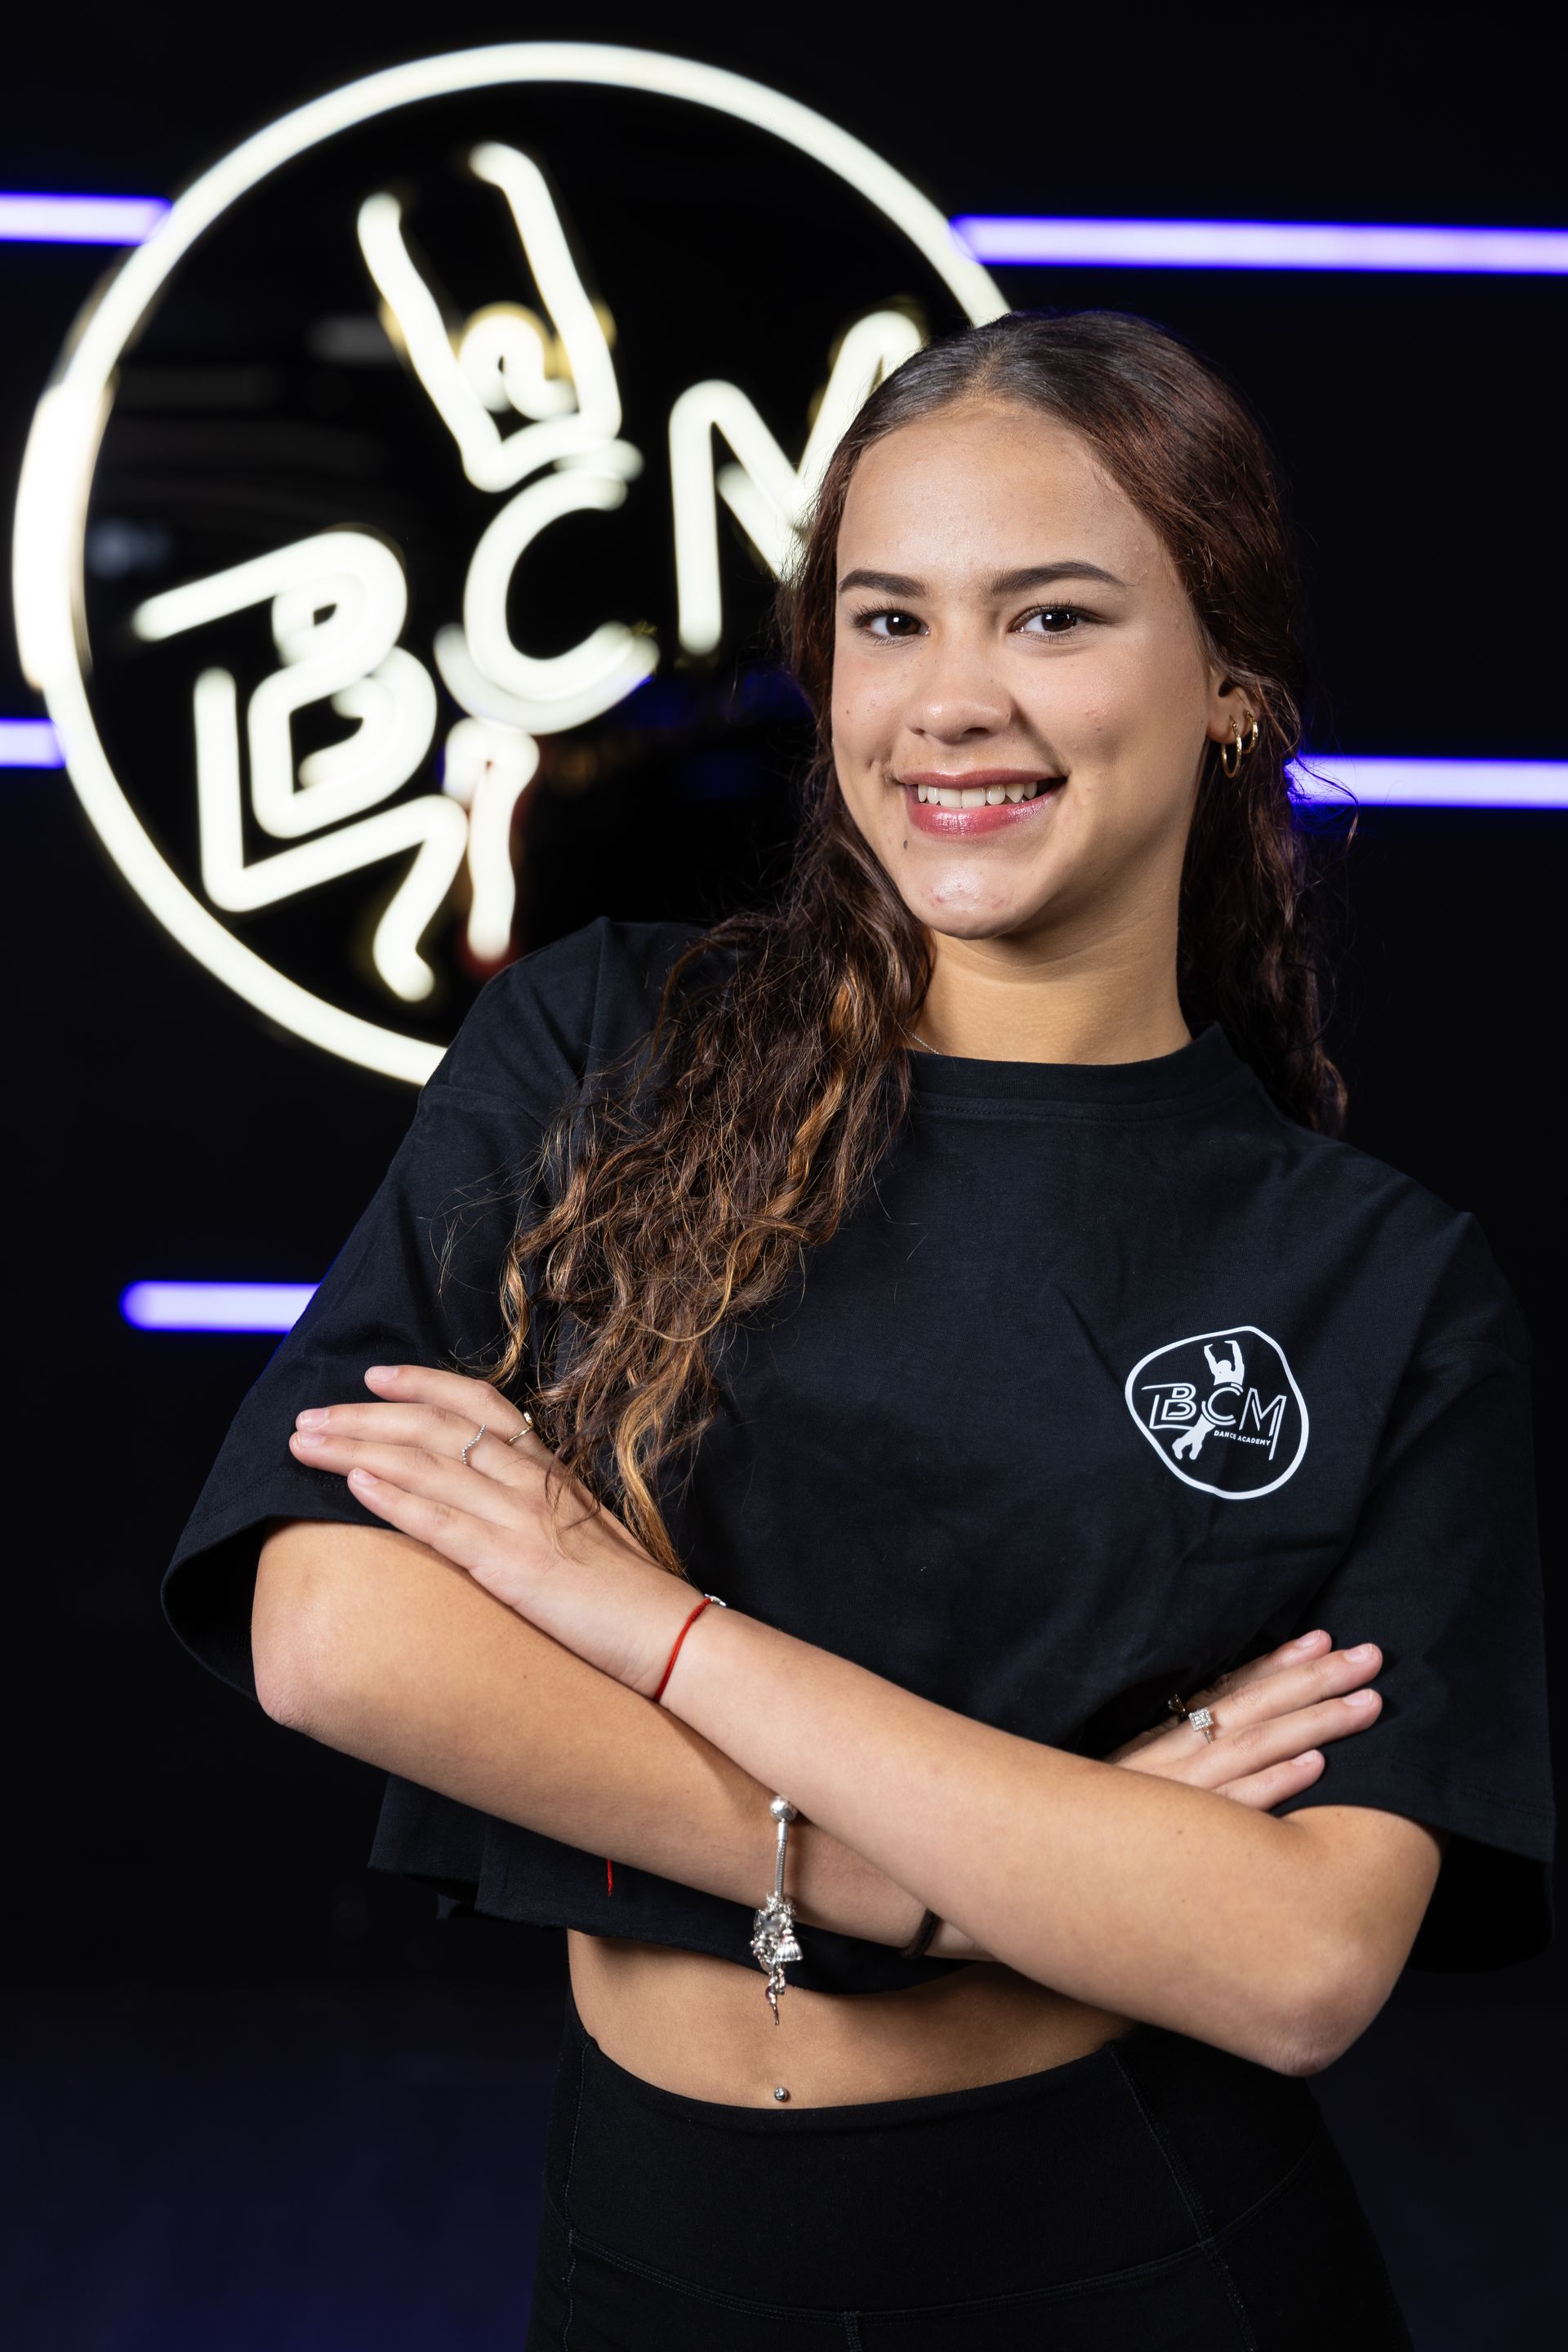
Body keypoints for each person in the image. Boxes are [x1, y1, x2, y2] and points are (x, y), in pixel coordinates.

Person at [164, 310, 1555, 2348]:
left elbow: (1293, 1963)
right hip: (643, 2244)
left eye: (1055, 617)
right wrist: (971, 1880)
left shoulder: (1383, 1282)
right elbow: (333, 1627)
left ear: (1235, 692)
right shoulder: (598, 1048)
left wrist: (642, 1625)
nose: (950, 706)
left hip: (1133, 2256)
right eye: (890, 622)